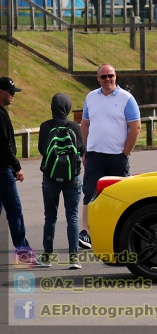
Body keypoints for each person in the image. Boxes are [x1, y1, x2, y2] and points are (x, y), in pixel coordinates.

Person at [79, 65, 141, 252]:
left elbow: (135, 127)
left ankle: (122, 232)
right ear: (98, 78)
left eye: (111, 76)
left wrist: (125, 153)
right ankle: (85, 232)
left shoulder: (126, 99)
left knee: (120, 196)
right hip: (95, 155)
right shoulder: (91, 97)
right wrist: (85, 152)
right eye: (104, 76)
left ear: (116, 76)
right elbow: (85, 124)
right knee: (89, 194)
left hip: (117, 156)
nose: (108, 79)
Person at [38, 93, 84, 269]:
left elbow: (43, 149)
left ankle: (47, 256)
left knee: (50, 216)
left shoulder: (45, 126)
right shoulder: (75, 126)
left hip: (50, 177)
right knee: (72, 216)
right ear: (68, 107)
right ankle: (73, 257)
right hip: (72, 176)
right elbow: (81, 149)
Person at [0, 77, 32, 263]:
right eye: (11, 92)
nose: (13, 96)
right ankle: (23, 252)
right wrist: (17, 166)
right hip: (3, 169)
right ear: (1, 92)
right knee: (15, 209)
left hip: (4, 168)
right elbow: (3, 145)